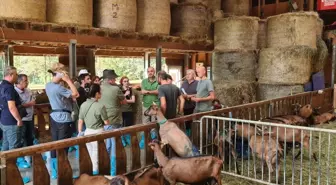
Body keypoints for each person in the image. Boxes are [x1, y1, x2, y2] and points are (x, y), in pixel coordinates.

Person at [45, 63, 79, 179]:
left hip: (54, 117)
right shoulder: (60, 88)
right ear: (60, 73)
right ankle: (63, 169)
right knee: (64, 145)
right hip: (64, 118)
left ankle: (54, 170)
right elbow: (76, 94)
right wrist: (68, 81)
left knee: (55, 143)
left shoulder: (48, 85)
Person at [0, 66, 30, 183]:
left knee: (5, 149)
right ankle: (13, 179)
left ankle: (4, 176)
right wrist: (18, 119)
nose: (17, 77)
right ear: (11, 74)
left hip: (4, 120)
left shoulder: (1, 85)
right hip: (12, 122)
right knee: (13, 151)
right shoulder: (9, 88)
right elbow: (11, 107)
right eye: (16, 75)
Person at [99, 69, 126, 176]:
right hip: (115, 119)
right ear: (110, 80)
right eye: (114, 78)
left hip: (102, 119)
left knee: (107, 144)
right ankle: (114, 170)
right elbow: (124, 102)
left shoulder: (99, 88)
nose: (115, 80)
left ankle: (105, 167)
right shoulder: (116, 89)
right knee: (114, 144)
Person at [77, 84, 109, 175]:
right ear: (97, 93)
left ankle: (92, 174)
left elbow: (80, 121)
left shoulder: (83, 105)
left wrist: (80, 132)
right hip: (98, 132)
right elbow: (106, 122)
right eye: (100, 92)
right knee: (98, 155)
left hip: (87, 132)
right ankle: (97, 175)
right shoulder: (100, 106)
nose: (101, 94)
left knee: (91, 154)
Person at [15, 74, 36, 166]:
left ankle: (31, 157)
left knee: (30, 137)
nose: (27, 83)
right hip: (21, 118)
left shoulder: (28, 91)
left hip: (30, 117)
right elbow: (16, 106)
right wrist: (28, 104)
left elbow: (32, 101)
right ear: (19, 82)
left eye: (27, 81)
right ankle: (20, 159)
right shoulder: (14, 91)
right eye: (25, 81)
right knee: (21, 138)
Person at [180, 69, 198, 136]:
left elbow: (199, 94)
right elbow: (180, 93)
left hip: (195, 106)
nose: (187, 75)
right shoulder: (184, 83)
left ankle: (195, 136)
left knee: (193, 122)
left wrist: (189, 96)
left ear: (193, 75)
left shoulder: (197, 83)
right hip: (185, 106)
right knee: (187, 121)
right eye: (187, 74)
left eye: (189, 73)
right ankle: (188, 135)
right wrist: (183, 96)